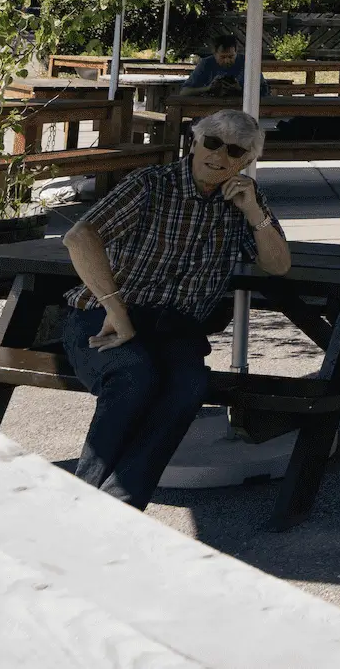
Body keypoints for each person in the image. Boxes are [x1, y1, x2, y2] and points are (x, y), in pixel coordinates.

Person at [59, 108, 291, 508]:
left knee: (186, 389)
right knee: (133, 378)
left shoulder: (243, 199)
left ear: (247, 161)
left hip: (176, 327)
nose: (219, 156)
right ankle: (82, 505)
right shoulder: (152, 184)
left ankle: (117, 507)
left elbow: (278, 264)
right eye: (212, 143)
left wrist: (254, 213)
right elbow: (80, 237)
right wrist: (116, 311)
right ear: (195, 142)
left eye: (234, 151)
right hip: (107, 314)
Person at [181, 33, 269, 98]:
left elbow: (265, 92)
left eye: (231, 56)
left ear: (236, 51)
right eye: (222, 57)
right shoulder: (206, 63)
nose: (227, 60)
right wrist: (208, 88)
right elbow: (184, 92)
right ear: (214, 53)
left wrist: (240, 90)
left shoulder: (248, 63)